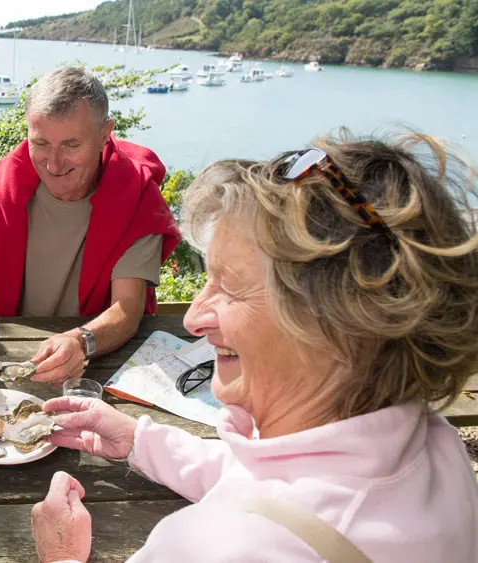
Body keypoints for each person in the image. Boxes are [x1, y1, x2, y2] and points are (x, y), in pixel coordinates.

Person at [30, 132, 478, 562]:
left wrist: (61, 554)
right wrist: (139, 440)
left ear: (335, 327)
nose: (193, 318)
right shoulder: (436, 446)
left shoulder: (217, 547)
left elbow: (268, 521)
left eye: (229, 287)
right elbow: (278, 485)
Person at [0, 67, 181, 386]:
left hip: (102, 369)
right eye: (40, 143)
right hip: (10, 362)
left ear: (104, 134)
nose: (53, 164)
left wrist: (81, 341)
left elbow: (127, 307)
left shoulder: (136, 194)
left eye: (71, 145)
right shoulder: (4, 186)